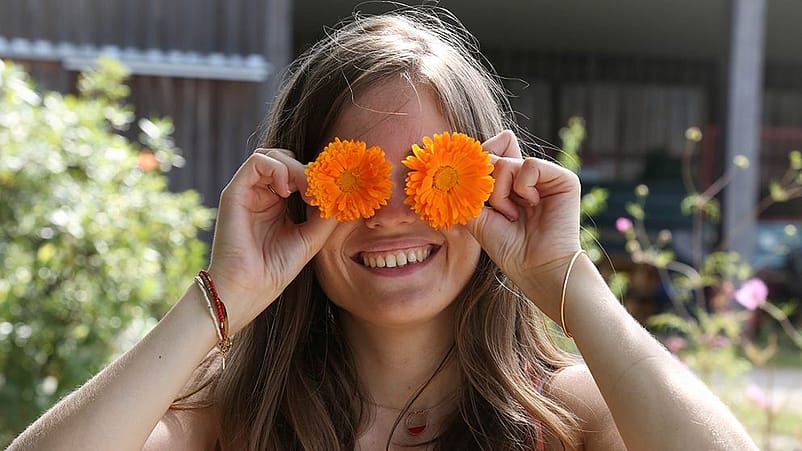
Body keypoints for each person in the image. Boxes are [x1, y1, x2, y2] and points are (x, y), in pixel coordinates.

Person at [10, 7, 756, 451]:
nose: (394, 210)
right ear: (298, 196)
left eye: (431, 178)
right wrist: (223, 295)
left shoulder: (570, 414)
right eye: (354, 180)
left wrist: (566, 279)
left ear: (489, 188)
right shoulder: (227, 421)